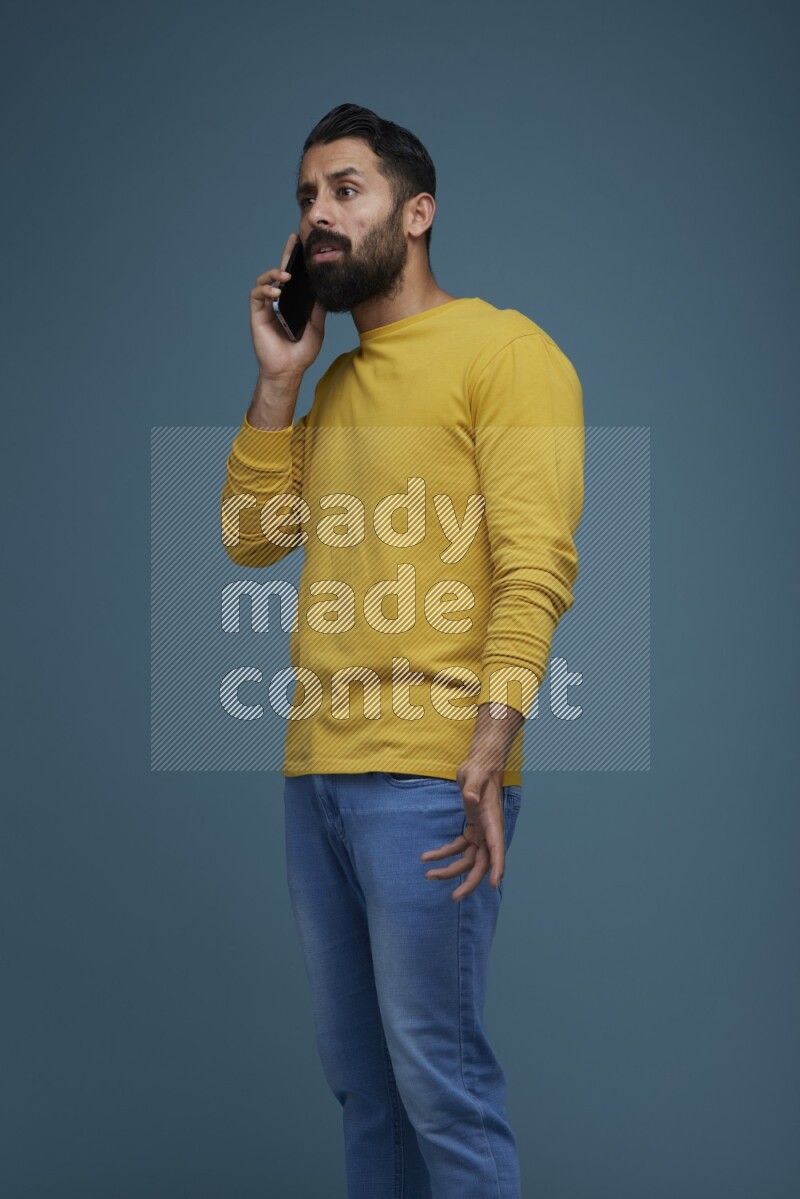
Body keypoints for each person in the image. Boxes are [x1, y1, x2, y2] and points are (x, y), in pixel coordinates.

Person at [220, 102, 584, 1199]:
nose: (317, 215)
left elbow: (535, 564)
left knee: (439, 1082)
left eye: (345, 190)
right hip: (317, 773)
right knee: (365, 1090)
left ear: (416, 212)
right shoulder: (330, 388)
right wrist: (279, 380)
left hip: (430, 773)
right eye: (304, 198)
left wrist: (490, 735)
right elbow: (250, 540)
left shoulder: (505, 353)